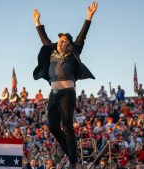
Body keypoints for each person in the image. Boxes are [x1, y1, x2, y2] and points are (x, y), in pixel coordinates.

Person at [33, 2, 98, 168]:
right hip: (53, 94)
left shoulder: (73, 52)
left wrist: (89, 17)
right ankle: (71, 153)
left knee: (67, 126)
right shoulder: (51, 51)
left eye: (64, 41)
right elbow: (44, 39)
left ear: (69, 44)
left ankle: (73, 162)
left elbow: (82, 36)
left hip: (67, 93)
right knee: (53, 126)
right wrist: (37, 22)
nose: (61, 42)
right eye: (60, 40)